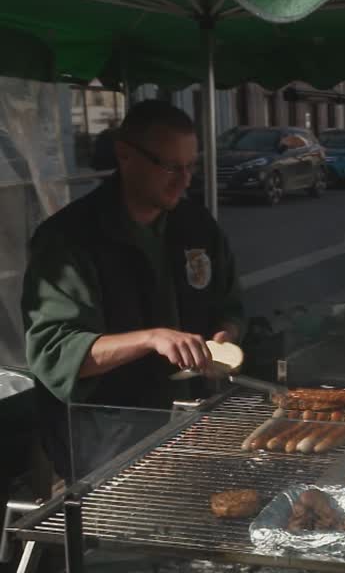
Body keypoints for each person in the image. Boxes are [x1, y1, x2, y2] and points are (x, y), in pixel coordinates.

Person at [22, 100, 245, 481]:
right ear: (125, 156)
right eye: (170, 167)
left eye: (191, 165)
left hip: (192, 423)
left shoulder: (196, 225)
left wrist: (225, 335)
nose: (184, 180)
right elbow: (55, 352)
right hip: (108, 437)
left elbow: (230, 304)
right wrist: (150, 339)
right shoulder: (70, 240)